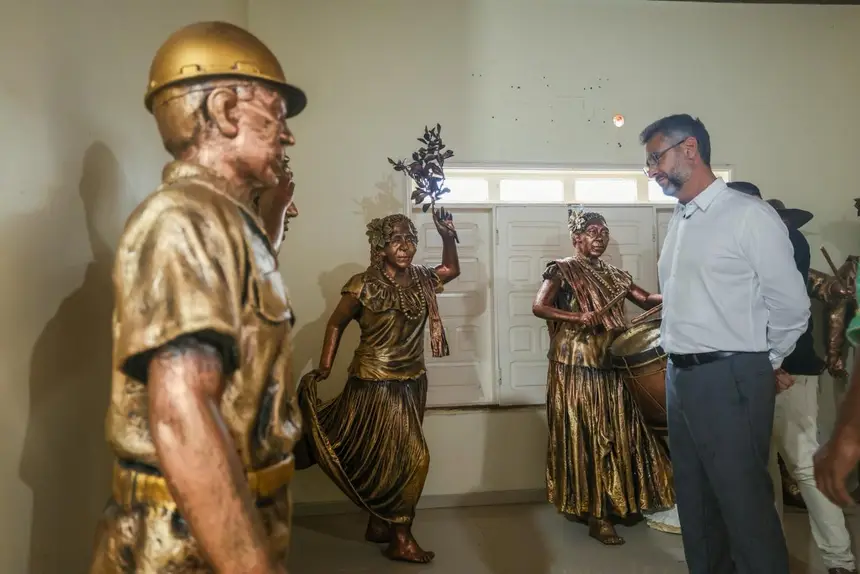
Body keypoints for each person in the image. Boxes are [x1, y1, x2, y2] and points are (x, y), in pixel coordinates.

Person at [89, 22, 305, 573]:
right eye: (276, 114)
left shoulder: (225, 221)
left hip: (223, 520)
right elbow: (183, 413)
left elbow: (245, 317)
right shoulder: (182, 221)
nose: (288, 135)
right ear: (227, 109)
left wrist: (272, 220)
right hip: (186, 540)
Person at [642, 114, 810, 573]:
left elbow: (792, 306)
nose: (652, 169)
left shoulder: (748, 217)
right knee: (696, 508)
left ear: (690, 149)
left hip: (731, 375)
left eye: (656, 157)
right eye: (648, 164)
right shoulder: (680, 221)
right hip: (681, 377)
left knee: (744, 509)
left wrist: (762, 361)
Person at [298, 211, 459, 564]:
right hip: (375, 382)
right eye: (396, 239)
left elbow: (450, 270)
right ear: (380, 246)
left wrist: (448, 237)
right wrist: (325, 366)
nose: (405, 246)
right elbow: (335, 324)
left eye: (410, 238)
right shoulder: (362, 284)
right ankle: (401, 536)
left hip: (413, 381)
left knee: (391, 455)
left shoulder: (420, 279)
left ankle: (379, 523)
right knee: (414, 459)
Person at [730, 181, 857, 574]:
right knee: (762, 469)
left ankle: (838, 559)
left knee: (802, 462)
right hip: (759, 370)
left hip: (788, 370)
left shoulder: (784, 240)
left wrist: (776, 362)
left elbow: (782, 308)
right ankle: (771, 558)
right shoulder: (760, 242)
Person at [531, 207, 674, 546]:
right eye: (593, 232)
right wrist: (578, 317)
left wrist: (679, 296)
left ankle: (621, 500)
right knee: (590, 433)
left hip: (610, 361)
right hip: (576, 364)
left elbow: (645, 299)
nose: (600, 238)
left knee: (621, 432)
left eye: (604, 232)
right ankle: (596, 511)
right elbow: (539, 307)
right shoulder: (562, 269)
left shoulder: (614, 274)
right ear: (576, 238)